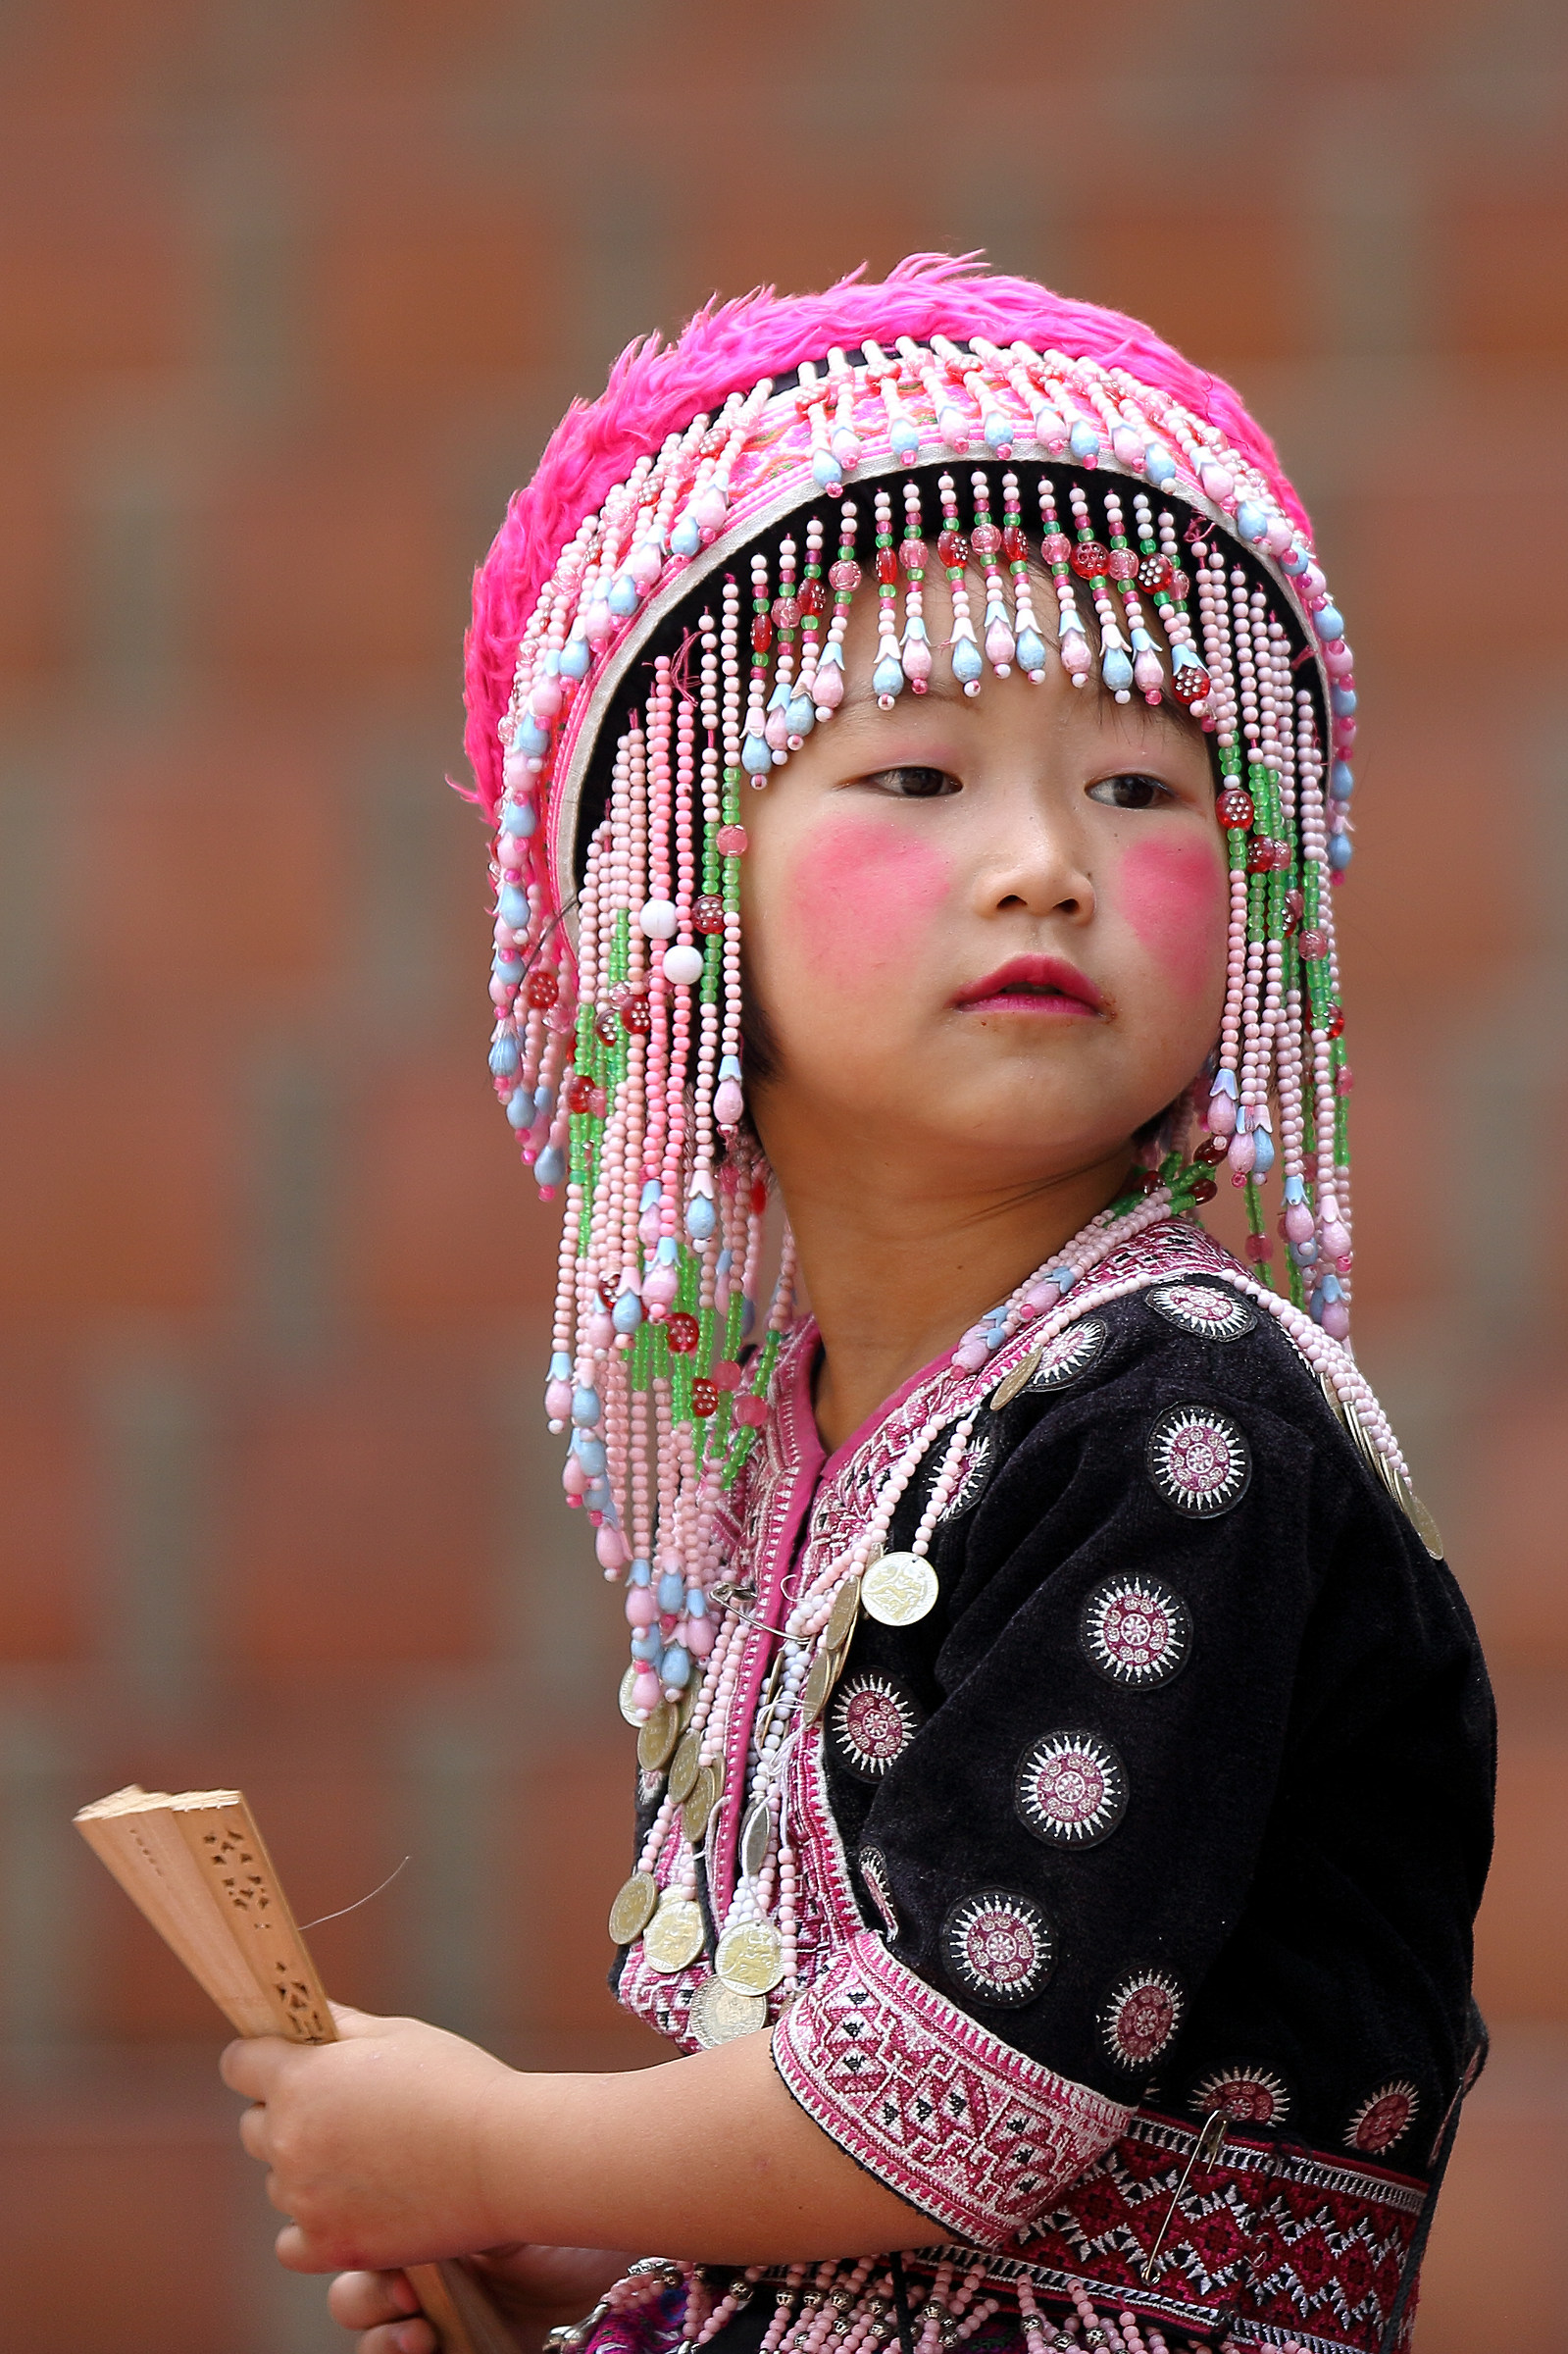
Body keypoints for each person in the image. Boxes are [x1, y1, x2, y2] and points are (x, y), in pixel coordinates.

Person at [223, 257, 1493, 2354]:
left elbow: (959, 2103)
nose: (1043, 862)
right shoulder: (825, 1454)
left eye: (1142, 785)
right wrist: (574, 2273)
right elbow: (883, 2184)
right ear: (677, 896)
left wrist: (490, 2148)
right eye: (916, 776)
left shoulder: (1180, 1415)